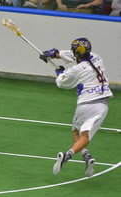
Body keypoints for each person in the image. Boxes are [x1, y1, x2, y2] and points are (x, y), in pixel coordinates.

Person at [39, 38, 113, 176]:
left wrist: (60, 72)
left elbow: (61, 83)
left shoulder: (77, 69)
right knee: (85, 136)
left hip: (84, 104)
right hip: (101, 104)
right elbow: (75, 56)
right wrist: (55, 54)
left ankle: (77, 156)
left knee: (76, 133)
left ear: (77, 54)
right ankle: (77, 155)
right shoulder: (97, 57)